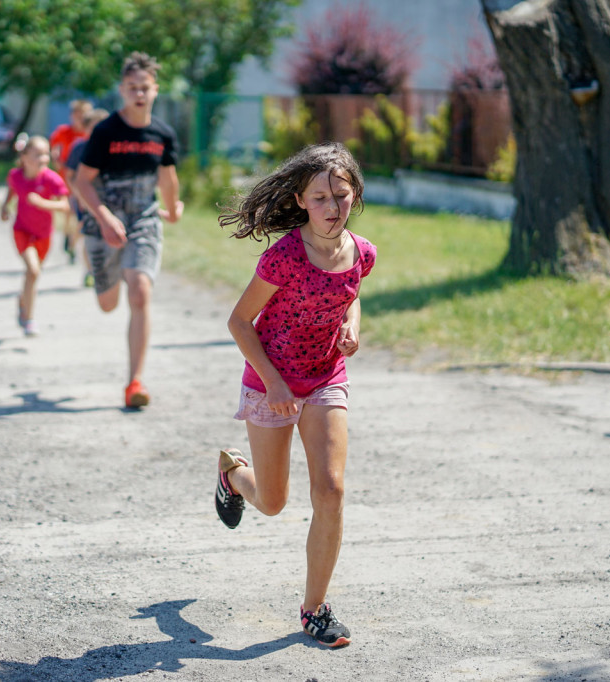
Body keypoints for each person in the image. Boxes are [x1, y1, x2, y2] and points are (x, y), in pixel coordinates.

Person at [214, 142, 377, 648]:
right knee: (274, 501)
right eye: (321, 198)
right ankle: (233, 476)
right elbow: (240, 322)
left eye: (341, 196)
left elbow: (349, 294)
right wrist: (275, 383)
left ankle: (315, 609)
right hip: (271, 381)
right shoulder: (283, 256)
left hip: (326, 377)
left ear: (355, 196)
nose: (333, 207)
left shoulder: (363, 252)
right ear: (302, 200)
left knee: (331, 490)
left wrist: (352, 325)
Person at [73, 52, 184, 408]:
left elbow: (167, 177)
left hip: (143, 220)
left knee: (139, 292)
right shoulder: (106, 131)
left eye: (145, 88)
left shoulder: (162, 134)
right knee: (108, 305)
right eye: (132, 87)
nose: (139, 93)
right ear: (122, 90)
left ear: (155, 91)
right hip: (102, 221)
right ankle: (98, 270)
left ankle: (134, 381)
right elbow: (82, 181)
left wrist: (173, 207)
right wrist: (105, 218)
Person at [0, 135, 69, 337]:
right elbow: (12, 191)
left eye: (46, 154)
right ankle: (29, 320)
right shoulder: (16, 175)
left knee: (33, 273)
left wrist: (42, 203)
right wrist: (5, 207)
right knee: (33, 270)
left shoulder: (51, 179)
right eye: (38, 154)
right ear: (24, 157)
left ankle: (23, 300)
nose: (44, 158)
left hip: (43, 234)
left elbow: (64, 205)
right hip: (22, 230)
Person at [63, 107, 110, 288]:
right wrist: (80, 197)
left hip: (107, 201)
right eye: (95, 127)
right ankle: (90, 270)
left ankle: (105, 267)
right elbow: (70, 176)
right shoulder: (80, 148)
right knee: (88, 233)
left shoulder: (111, 148)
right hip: (84, 200)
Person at [50, 99, 92, 263]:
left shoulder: (90, 134)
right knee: (70, 212)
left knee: (76, 214)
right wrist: (56, 159)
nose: (80, 118)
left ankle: (71, 241)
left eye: (83, 115)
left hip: (84, 180)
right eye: (77, 114)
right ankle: (69, 237)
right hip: (67, 179)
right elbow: (55, 149)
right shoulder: (63, 132)